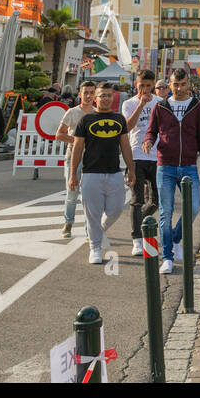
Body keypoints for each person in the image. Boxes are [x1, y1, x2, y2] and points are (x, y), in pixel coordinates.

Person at [144, 68, 200, 275]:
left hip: (189, 166)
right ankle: (167, 257)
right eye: (175, 84)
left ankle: (174, 239)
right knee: (166, 212)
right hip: (165, 166)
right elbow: (152, 130)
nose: (179, 88)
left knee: (194, 206)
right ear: (169, 85)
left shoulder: (197, 107)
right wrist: (148, 140)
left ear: (188, 84)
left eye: (182, 84)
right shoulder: (160, 106)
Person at [68, 86, 135, 265]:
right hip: (91, 173)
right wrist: (73, 173)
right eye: (102, 96)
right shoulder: (86, 120)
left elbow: (126, 146)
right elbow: (77, 148)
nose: (105, 99)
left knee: (116, 209)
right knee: (92, 214)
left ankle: (99, 231)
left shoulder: (119, 119)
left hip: (114, 172)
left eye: (108, 96)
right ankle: (95, 247)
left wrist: (131, 169)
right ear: (95, 99)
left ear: (112, 98)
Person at [122, 70, 161, 257]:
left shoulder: (160, 103)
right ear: (136, 84)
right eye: (141, 85)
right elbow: (127, 127)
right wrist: (140, 105)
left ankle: (142, 221)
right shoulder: (128, 103)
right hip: (136, 155)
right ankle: (137, 239)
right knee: (137, 200)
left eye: (148, 85)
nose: (145, 89)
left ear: (153, 84)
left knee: (156, 201)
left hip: (157, 156)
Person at [56, 81, 97, 238]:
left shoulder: (97, 113)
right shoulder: (72, 112)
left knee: (89, 196)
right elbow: (59, 134)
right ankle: (68, 223)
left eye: (91, 92)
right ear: (80, 94)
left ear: (95, 95)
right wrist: (77, 141)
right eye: (85, 92)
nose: (88, 96)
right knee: (72, 193)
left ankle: (88, 229)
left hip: (91, 159)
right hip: (73, 157)